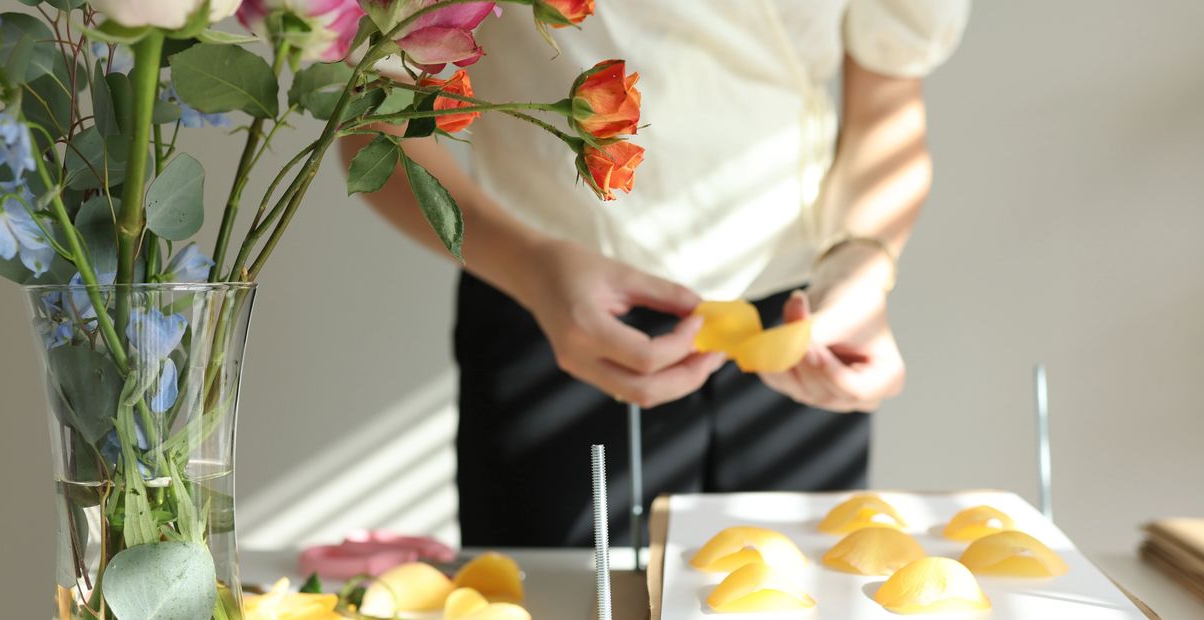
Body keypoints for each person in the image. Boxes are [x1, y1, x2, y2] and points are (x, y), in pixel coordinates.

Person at [340, 0, 970, 547]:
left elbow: (884, 113)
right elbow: (374, 118)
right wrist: (530, 266)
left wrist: (862, 263)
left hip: (802, 323)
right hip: (551, 311)